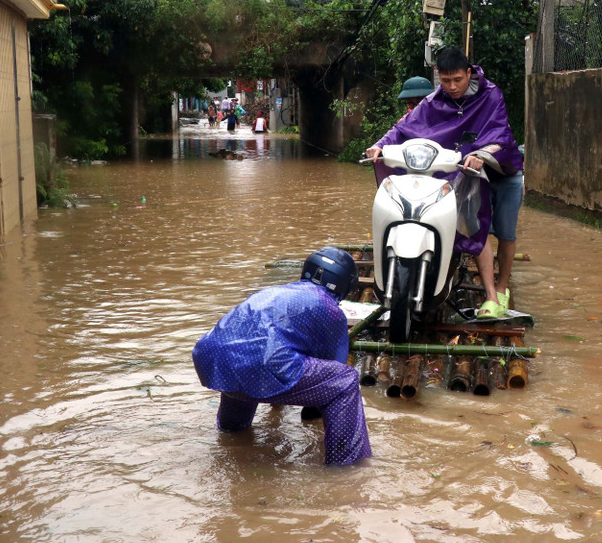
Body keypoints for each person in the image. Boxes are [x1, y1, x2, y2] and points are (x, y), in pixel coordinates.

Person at [365, 48, 523, 319]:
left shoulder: (491, 95)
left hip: (502, 171)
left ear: (469, 73)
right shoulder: (433, 101)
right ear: (439, 77)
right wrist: (379, 145)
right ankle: (480, 291)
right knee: (471, 224)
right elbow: (403, 128)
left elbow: (499, 133)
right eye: (446, 80)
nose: (451, 87)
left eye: (458, 80)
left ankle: (499, 288)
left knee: (505, 232)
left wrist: (481, 154)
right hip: (467, 171)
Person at [192, 247, 371, 466]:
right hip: (261, 364)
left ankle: (231, 434)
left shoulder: (272, 292)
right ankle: (346, 466)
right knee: (345, 380)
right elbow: (332, 366)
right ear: (346, 284)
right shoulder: (329, 308)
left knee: (242, 361)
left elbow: (249, 341)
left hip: (210, 356)